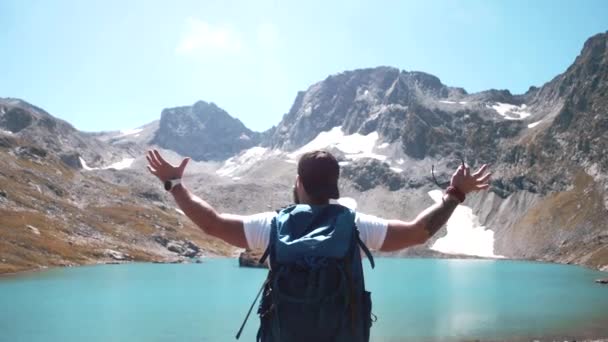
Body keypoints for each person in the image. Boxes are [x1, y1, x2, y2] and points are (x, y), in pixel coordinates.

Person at [145, 149, 491, 341]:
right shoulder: (356, 226)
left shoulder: (272, 225)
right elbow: (419, 232)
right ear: (336, 185)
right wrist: (455, 194)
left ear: (298, 183)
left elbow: (212, 223)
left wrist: (174, 184)